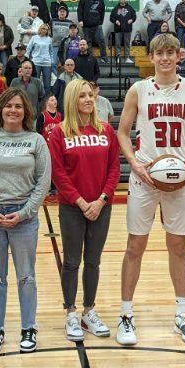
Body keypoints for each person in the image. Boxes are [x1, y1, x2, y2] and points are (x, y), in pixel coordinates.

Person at [115, 33, 185, 346]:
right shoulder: (138, 90)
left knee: (177, 246)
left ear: (179, 55)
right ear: (151, 57)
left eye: (170, 52)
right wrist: (135, 166)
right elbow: (123, 133)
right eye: (159, 53)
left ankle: (181, 314)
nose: (165, 58)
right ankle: (126, 314)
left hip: (178, 179)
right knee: (134, 246)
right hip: (144, 176)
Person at [0, 87, 51, 354]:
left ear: (25, 111)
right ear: (1, 109)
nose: (13, 110)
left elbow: (43, 182)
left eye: (18, 106)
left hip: (24, 218)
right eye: (8, 106)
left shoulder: (36, 140)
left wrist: (25, 212)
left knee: (26, 276)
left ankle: (28, 327)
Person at [48, 79, 120, 341]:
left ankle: (89, 310)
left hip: (101, 206)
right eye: (83, 96)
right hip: (72, 208)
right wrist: (80, 201)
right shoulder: (59, 133)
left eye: (91, 95)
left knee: (93, 261)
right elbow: (58, 173)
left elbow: (114, 169)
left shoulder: (106, 131)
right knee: (71, 261)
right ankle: (70, 312)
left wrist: (101, 199)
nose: (89, 99)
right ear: (71, 100)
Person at [77, 0, 107, 64]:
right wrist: (80, 20)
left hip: (97, 25)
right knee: (88, 42)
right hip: (86, 25)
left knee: (101, 40)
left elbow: (103, 11)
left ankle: (104, 57)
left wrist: (101, 22)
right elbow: (79, 10)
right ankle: (90, 59)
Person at [25, 23, 55, 94]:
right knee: (35, 83)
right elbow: (28, 49)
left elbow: (51, 52)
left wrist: (52, 61)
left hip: (47, 63)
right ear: (40, 29)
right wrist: (26, 60)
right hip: (36, 63)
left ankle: (46, 100)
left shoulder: (49, 39)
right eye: (43, 29)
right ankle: (35, 98)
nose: (44, 30)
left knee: (47, 84)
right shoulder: (34, 38)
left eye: (46, 29)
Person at [109, 0, 136, 64]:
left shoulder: (130, 8)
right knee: (117, 44)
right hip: (118, 29)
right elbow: (111, 18)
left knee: (127, 44)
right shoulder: (115, 8)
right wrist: (116, 21)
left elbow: (134, 17)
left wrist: (132, 20)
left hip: (127, 29)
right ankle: (118, 57)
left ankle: (127, 58)